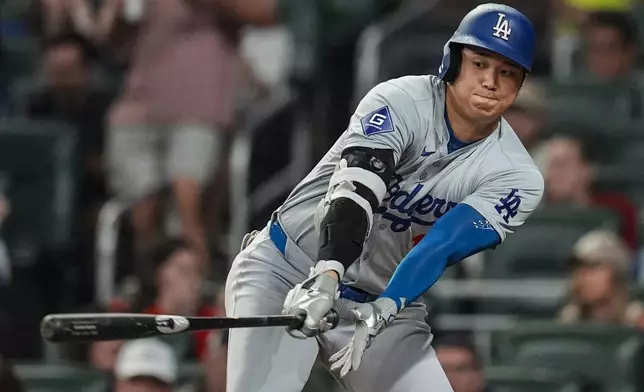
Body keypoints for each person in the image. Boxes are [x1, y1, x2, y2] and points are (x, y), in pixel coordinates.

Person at [225, 4, 544, 392]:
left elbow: (442, 245)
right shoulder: (401, 99)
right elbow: (356, 192)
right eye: (479, 63)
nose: (490, 81)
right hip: (288, 269)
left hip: (377, 299)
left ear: (521, 83)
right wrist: (326, 278)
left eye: (506, 72)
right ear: (453, 60)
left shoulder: (517, 174)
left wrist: (387, 307)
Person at [536, 136, 638, 248]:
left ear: (587, 170)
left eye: (560, 165)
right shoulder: (530, 213)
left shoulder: (619, 210)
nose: (550, 174)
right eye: (547, 166)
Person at [558, 230, 644, 328]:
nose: (582, 276)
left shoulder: (637, 320)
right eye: (578, 268)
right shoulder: (570, 317)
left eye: (592, 267)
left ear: (616, 274)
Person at [582, 11, 638, 81]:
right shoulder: (574, 88)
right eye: (596, 49)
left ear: (629, 52)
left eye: (610, 49)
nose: (601, 57)